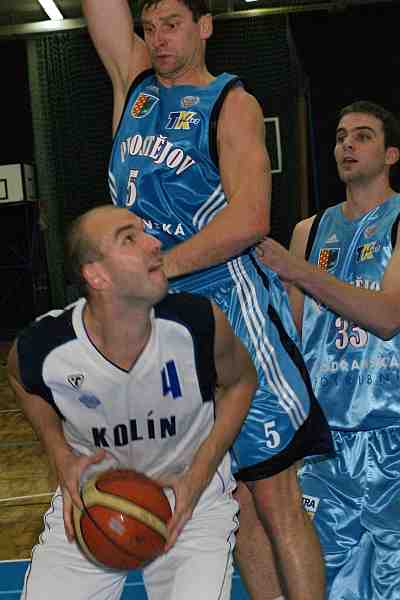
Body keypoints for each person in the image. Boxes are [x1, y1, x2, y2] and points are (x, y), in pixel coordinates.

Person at [82, 2, 333, 598]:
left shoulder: (231, 103)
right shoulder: (135, 85)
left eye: (172, 24)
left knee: (276, 498)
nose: (159, 38)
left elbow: (250, 218)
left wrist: (155, 267)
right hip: (162, 330)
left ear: (205, 25)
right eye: (149, 28)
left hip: (232, 313)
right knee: (233, 502)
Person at [8, 204, 258, 600]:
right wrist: (60, 454)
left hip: (190, 506)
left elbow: (241, 382)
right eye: (130, 238)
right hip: (90, 502)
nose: (154, 243)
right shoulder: (45, 346)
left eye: (145, 231)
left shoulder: (197, 324)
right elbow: (21, 382)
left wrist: (201, 470)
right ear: (96, 274)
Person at [257, 100, 400, 599]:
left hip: (392, 436)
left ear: (392, 154)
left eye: (363, 135)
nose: (347, 145)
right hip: (326, 441)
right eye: (341, 136)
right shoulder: (309, 232)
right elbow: (291, 338)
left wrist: (298, 271)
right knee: (325, 584)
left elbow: (387, 317)